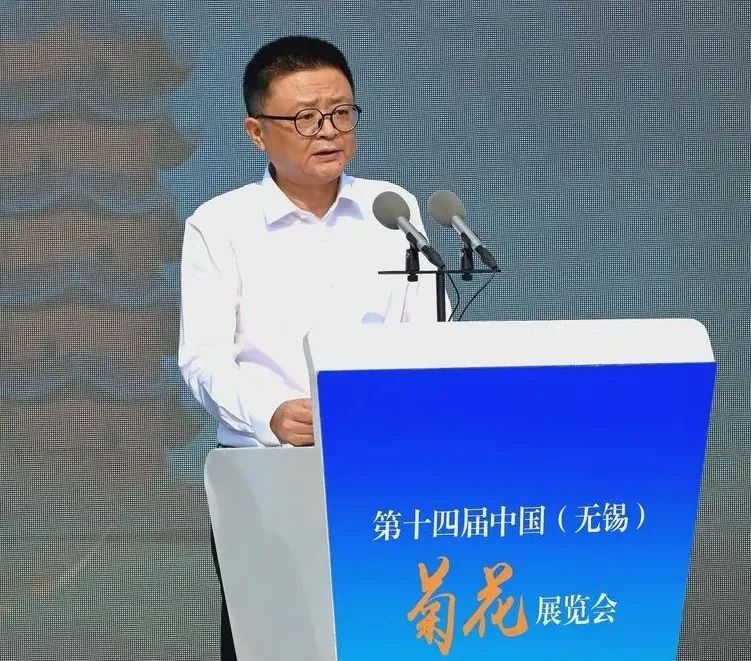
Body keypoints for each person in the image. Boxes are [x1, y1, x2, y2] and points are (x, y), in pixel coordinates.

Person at [178, 35, 440, 661]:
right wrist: (271, 413)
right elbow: (203, 358)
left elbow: (428, 340)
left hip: (383, 471)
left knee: (389, 635)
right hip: (268, 475)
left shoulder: (392, 209)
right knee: (274, 644)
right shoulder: (220, 225)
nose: (328, 131)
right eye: (304, 117)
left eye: (341, 112)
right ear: (256, 132)